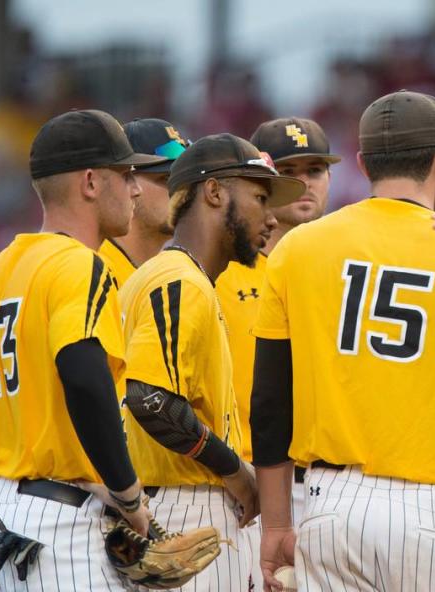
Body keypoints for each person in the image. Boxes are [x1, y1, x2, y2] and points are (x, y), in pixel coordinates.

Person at [250, 90, 435, 590]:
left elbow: (270, 403)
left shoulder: (299, 248)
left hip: (332, 508)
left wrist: (278, 522)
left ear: (364, 163)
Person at [0, 109, 163, 589]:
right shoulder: (79, 266)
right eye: (126, 174)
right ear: (91, 181)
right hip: (57, 527)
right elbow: (84, 376)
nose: (135, 189)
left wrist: (18, 444)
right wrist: (128, 495)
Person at [118, 133, 305, 591]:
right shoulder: (179, 280)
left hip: (164, 500)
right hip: (185, 507)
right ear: (215, 192)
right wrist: (235, 472)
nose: (272, 215)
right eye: (260, 197)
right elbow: (152, 400)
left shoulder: (164, 276)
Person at [215, 116, 339, 590]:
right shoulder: (220, 270)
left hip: (332, 489)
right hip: (245, 489)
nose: (304, 181)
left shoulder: (345, 269)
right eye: (288, 169)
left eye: (316, 168)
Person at [99, 118, 190, 287]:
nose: (182, 192)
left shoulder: (167, 277)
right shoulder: (97, 272)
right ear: (125, 181)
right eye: (166, 178)